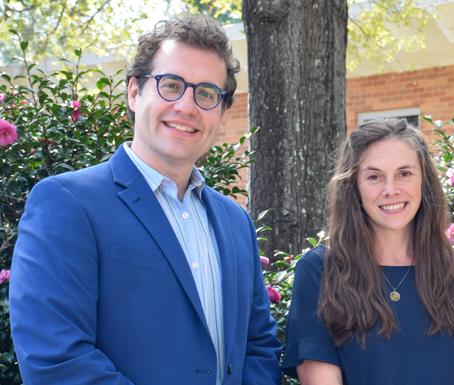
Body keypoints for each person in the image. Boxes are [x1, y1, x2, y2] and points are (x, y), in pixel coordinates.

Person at [10, 15, 281, 385]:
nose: (186, 106)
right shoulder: (67, 204)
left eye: (206, 93)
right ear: (135, 92)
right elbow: (56, 361)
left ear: (220, 112)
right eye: (171, 85)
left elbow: (258, 346)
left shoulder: (235, 222)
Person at [281, 119, 454, 384]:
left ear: (424, 181)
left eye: (404, 173)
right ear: (354, 187)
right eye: (374, 177)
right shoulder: (320, 271)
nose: (390, 190)